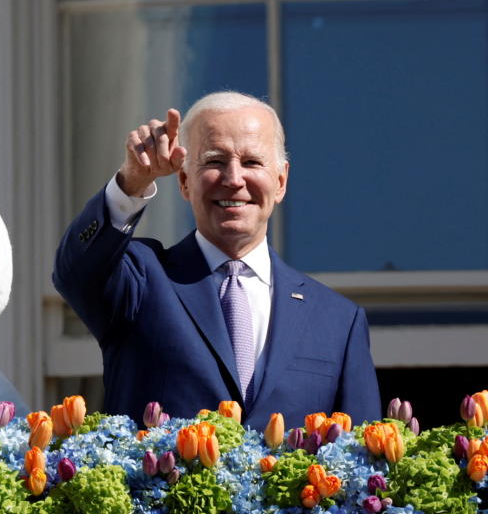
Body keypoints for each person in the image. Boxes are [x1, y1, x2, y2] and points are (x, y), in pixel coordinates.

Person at [52, 91, 381, 431]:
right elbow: (74, 272)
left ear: (281, 182)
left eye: (252, 162)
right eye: (214, 161)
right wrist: (131, 182)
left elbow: (366, 461)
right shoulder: (142, 277)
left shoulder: (337, 321)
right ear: (184, 181)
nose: (234, 179)